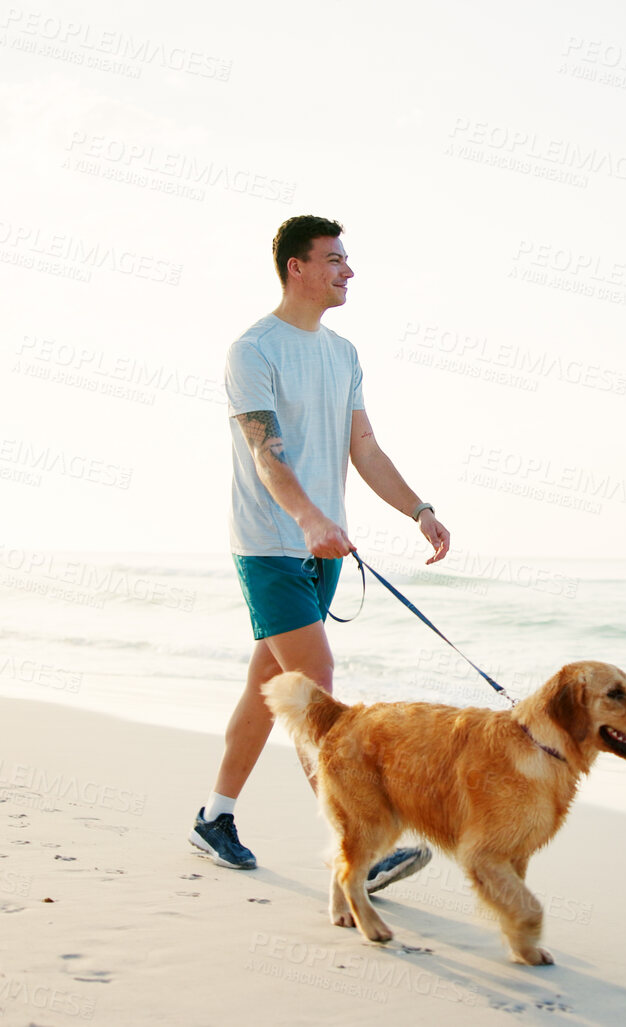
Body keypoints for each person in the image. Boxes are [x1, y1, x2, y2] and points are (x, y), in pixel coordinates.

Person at [191, 215, 451, 896]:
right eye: (333, 259)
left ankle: (214, 817)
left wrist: (419, 510)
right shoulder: (253, 350)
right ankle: (358, 845)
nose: (348, 271)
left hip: (324, 547)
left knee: (267, 687)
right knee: (316, 686)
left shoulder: (343, 354)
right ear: (295, 268)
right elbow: (263, 449)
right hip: (272, 544)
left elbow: (363, 449)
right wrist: (307, 517)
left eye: (347, 259)